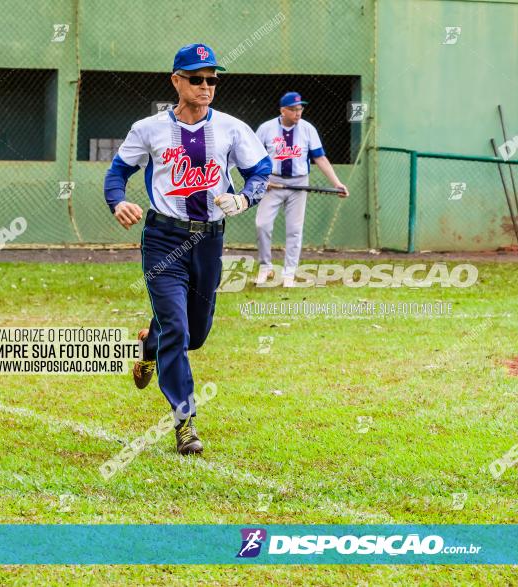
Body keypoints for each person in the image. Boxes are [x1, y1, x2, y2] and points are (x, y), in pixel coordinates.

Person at [103, 43, 271, 454]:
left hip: (209, 241)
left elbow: (260, 170)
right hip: (164, 238)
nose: (206, 86)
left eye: (212, 79)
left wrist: (246, 198)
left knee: (194, 335)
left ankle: (147, 346)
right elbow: (117, 172)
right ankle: (185, 424)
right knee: (177, 328)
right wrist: (117, 201)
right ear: (176, 81)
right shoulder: (149, 128)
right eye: (196, 78)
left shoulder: (232, 128)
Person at [254, 92, 349, 287]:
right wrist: (261, 180)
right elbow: (253, 158)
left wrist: (336, 183)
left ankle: (289, 273)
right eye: (293, 109)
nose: (298, 113)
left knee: (295, 230)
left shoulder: (307, 129)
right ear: (283, 110)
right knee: (262, 224)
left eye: (300, 109)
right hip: (272, 183)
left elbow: (319, 158)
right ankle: (266, 268)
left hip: (299, 183)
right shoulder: (266, 129)